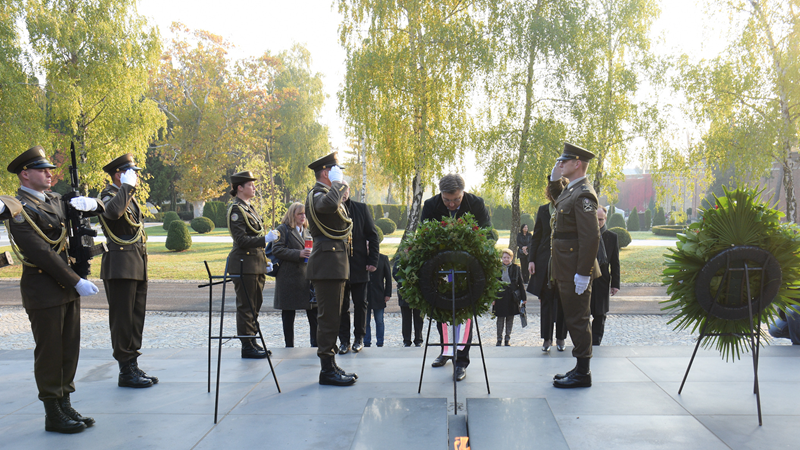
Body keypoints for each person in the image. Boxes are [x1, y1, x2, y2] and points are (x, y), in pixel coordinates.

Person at [6, 145, 105, 433]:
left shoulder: (55, 199)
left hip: (67, 287)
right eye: (42, 170)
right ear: (25, 174)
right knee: (50, 351)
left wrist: (93, 204)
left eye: (50, 169)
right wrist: (75, 280)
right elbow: (41, 253)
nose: (50, 173)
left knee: (68, 348)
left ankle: (65, 402)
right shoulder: (18, 209)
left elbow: (96, 210)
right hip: (44, 289)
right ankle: (52, 411)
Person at [421, 173, 492, 382]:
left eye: (456, 200)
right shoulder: (430, 205)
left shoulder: (476, 204)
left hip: (467, 270)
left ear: (463, 193)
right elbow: (423, 233)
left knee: (463, 312)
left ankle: (461, 362)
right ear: (440, 195)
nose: (451, 204)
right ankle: (446, 351)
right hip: (441, 269)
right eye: (447, 200)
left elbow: (487, 232)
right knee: (442, 308)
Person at [97, 154, 157, 388]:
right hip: (120, 266)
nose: (137, 176)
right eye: (132, 172)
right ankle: (125, 369)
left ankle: (132, 364)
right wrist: (127, 187)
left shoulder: (127, 196)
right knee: (122, 320)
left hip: (136, 263)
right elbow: (112, 214)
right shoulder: (108, 196)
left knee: (135, 318)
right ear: (118, 174)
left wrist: (128, 189)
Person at [549, 143, 601, 389]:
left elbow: (591, 237)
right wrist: (553, 180)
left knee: (578, 318)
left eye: (564, 160)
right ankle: (579, 367)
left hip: (575, 268)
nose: (560, 163)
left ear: (577, 162)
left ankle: (583, 373)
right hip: (566, 265)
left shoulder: (584, 194)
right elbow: (559, 202)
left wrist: (583, 272)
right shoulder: (572, 190)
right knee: (573, 316)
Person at [305, 152, 357, 386]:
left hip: (333, 264)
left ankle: (331, 363)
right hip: (327, 265)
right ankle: (326, 370)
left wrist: (338, 188)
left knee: (334, 317)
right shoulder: (319, 194)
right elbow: (326, 208)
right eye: (336, 171)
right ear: (326, 172)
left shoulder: (327, 194)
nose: (341, 175)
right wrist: (337, 184)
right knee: (328, 319)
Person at [226, 171, 278, 359]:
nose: (254, 188)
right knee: (246, 305)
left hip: (255, 264)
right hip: (243, 263)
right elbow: (241, 239)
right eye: (250, 185)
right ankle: (246, 345)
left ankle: (252, 340)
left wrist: (265, 261)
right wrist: (265, 239)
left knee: (255, 304)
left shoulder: (249, 208)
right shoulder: (236, 210)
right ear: (240, 188)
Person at [337, 182, 379, 354]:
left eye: (345, 190)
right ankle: (344, 341)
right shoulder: (331, 210)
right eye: (339, 190)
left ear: (348, 191)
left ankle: (359, 338)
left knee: (361, 303)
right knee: (342, 305)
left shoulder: (361, 209)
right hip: (338, 265)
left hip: (359, 264)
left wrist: (373, 261)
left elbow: (373, 235)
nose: (343, 193)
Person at [528, 177, 568, 352]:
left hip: (564, 263)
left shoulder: (569, 209)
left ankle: (560, 338)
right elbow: (536, 237)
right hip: (544, 263)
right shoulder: (543, 210)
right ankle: (546, 339)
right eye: (552, 192)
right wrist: (531, 260)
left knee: (562, 302)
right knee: (546, 302)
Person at [272, 202, 317, 347]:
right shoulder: (283, 229)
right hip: (288, 279)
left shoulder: (307, 232)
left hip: (306, 279)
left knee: (313, 313)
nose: (303, 216)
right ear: (292, 215)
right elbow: (276, 249)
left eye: (304, 214)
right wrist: (298, 253)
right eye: (300, 213)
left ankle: (315, 345)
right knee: (288, 314)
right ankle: (289, 345)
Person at [591, 206, 620, 345]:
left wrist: (615, 284)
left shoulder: (612, 237)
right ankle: (585, 341)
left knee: (600, 313)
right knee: (584, 312)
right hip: (586, 279)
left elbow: (615, 262)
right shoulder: (585, 235)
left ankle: (596, 342)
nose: (598, 222)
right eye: (595, 219)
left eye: (601, 219)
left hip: (603, 279)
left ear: (605, 219)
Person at [493, 249, 526, 346]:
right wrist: (493, 298)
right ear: (501, 258)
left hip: (512, 297)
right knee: (500, 319)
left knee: (510, 319)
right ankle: (499, 339)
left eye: (508, 257)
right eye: (504, 257)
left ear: (511, 258)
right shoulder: (497, 268)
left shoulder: (516, 268)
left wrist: (524, 298)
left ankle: (507, 339)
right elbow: (494, 284)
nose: (506, 259)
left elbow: (520, 283)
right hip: (500, 296)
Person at [394, 253, 423, 347]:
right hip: (404, 290)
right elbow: (395, 273)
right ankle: (406, 339)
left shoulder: (418, 256)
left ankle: (418, 339)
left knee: (418, 316)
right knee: (406, 317)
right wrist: (405, 282)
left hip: (417, 290)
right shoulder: (399, 258)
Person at [365, 248, 391, 347]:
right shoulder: (362, 259)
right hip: (365, 294)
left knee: (379, 321)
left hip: (378, 294)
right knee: (365, 321)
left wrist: (387, 294)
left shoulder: (383, 258)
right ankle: (366, 341)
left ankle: (380, 342)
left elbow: (388, 278)